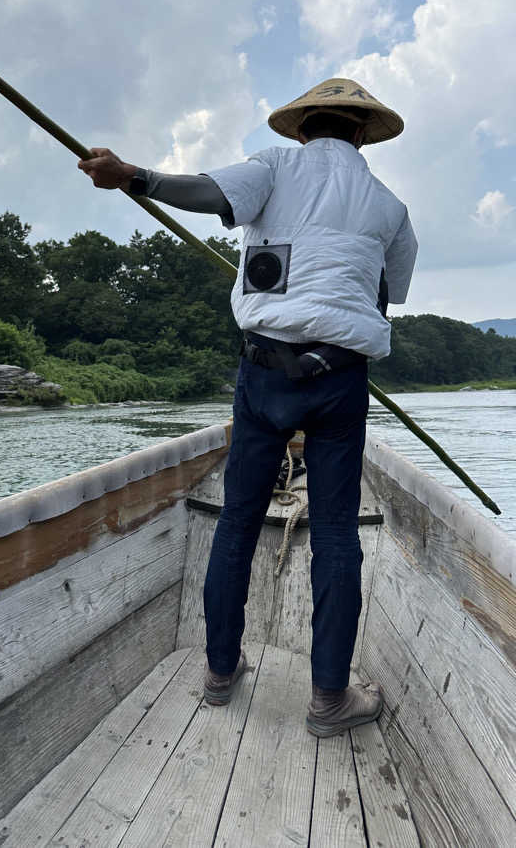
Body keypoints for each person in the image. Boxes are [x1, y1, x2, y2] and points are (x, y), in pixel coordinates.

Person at [78, 77, 417, 737]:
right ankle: (328, 700)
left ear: (302, 128)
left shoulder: (274, 166)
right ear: (358, 133)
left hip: (263, 373)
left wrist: (131, 176)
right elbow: (383, 296)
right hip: (341, 380)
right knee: (339, 530)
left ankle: (220, 672)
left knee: (237, 521)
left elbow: (207, 192)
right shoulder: (390, 205)